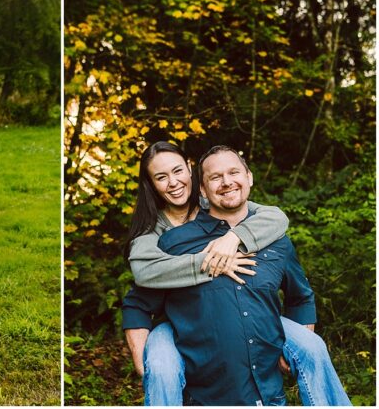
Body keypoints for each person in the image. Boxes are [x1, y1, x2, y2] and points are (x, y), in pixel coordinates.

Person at [122, 142, 349, 405]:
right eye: (161, 177)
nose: (173, 182)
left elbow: (275, 217)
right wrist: (209, 262)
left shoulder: (234, 212)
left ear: (190, 171)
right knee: (162, 368)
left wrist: (234, 237)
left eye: (177, 171)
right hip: (176, 321)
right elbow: (143, 280)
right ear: (151, 184)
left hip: (254, 316)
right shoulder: (157, 233)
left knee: (312, 347)